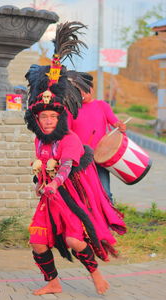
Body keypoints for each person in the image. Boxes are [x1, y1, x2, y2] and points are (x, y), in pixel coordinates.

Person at [24, 21, 126, 297]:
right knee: (37, 242)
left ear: (59, 117)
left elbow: (66, 166)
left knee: (73, 241)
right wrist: (38, 181)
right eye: (42, 117)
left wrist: (55, 184)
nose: (46, 121)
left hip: (70, 197)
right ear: (36, 119)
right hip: (48, 199)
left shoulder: (68, 139)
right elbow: (42, 166)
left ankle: (95, 274)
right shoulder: (39, 140)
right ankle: (54, 282)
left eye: (51, 117)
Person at [69, 85, 126, 204]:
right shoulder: (71, 109)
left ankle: (111, 221)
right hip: (80, 159)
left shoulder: (102, 105)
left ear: (92, 90)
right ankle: (86, 221)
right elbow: (67, 133)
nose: (82, 94)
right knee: (81, 194)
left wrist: (120, 126)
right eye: (78, 91)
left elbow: (115, 123)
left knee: (105, 192)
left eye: (85, 90)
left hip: (100, 158)